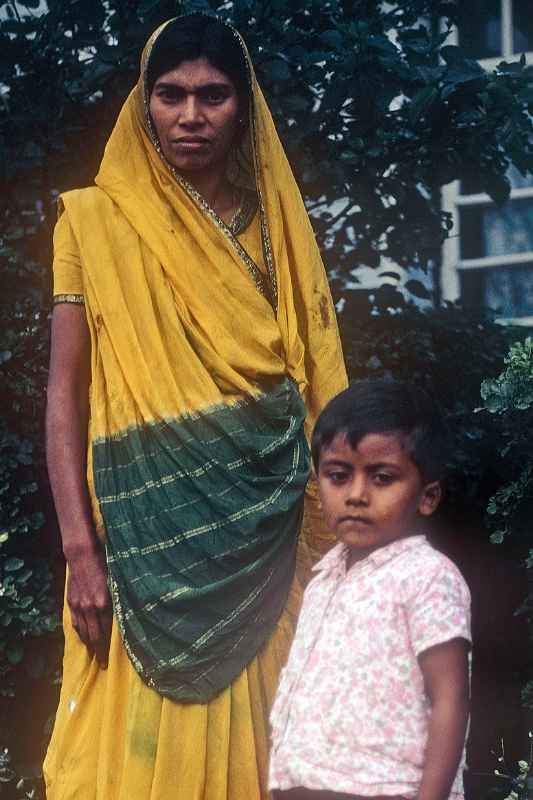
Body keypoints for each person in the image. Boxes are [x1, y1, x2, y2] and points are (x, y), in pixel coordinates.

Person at [44, 12, 347, 800]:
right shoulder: (93, 222)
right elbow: (64, 394)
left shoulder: (275, 228)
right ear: (143, 104)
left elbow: (314, 380)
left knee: (267, 751)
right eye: (170, 94)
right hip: (138, 547)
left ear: (242, 107)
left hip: (267, 538)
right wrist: (81, 550)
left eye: (212, 96)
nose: (190, 116)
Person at [269, 380, 471, 800]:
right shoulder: (323, 578)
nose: (357, 495)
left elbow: (451, 700)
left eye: (382, 478)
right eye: (338, 476)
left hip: (387, 788)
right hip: (307, 785)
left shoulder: (428, 577)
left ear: (427, 497)